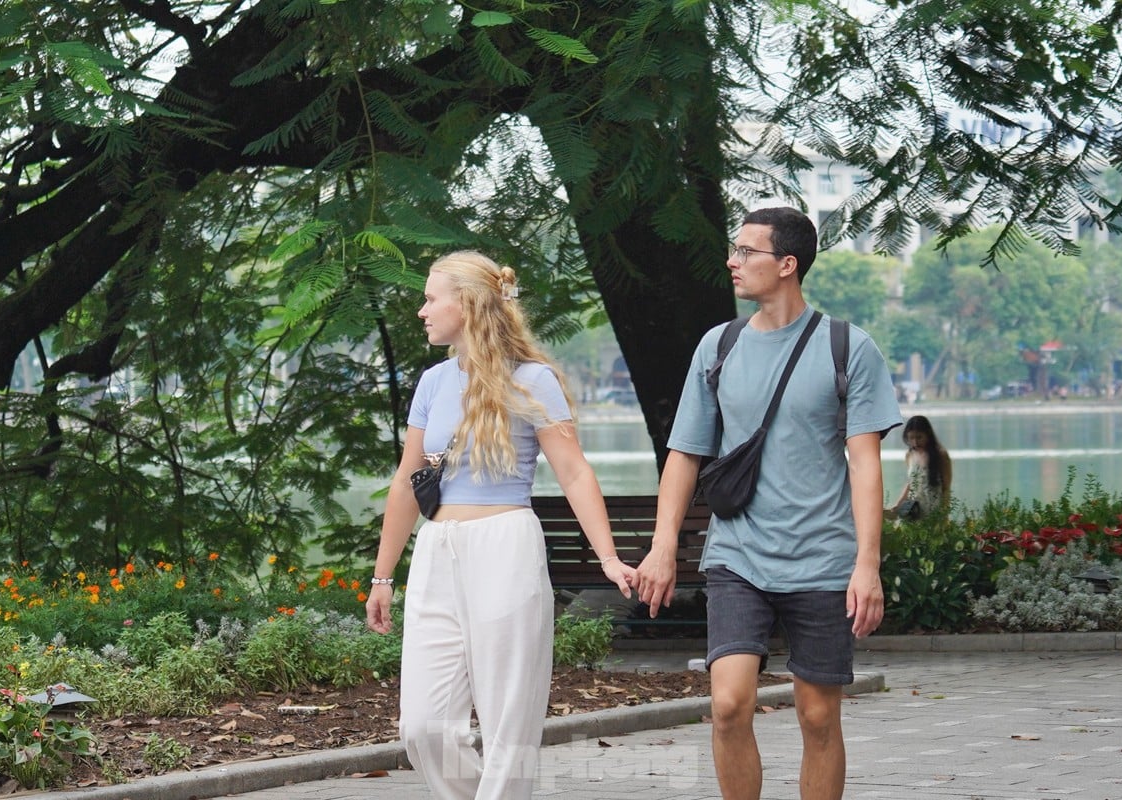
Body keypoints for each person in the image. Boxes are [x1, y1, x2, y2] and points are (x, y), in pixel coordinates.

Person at [635, 207, 903, 800]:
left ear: (787, 264)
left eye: (746, 252)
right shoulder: (719, 346)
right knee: (728, 704)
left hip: (823, 559)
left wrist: (867, 564)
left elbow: (864, 463)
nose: (732, 262)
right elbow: (685, 453)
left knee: (817, 717)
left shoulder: (847, 347)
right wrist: (661, 549)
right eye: (734, 249)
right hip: (739, 553)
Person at [365, 251, 636, 800]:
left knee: (508, 722)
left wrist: (607, 557)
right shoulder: (434, 382)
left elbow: (575, 472)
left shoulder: (533, 379)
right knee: (423, 727)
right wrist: (382, 576)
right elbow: (404, 482)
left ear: (465, 304)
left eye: (431, 297)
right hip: (438, 547)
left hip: (504, 547)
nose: (422, 310)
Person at [887, 415, 952, 519]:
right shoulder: (909, 455)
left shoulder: (941, 455)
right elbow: (910, 483)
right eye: (911, 438)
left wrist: (944, 515)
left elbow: (946, 488)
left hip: (934, 509)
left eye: (919, 437)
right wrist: (898, 504)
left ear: (928, 435)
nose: (915, 442)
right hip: (913, 509)